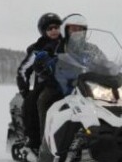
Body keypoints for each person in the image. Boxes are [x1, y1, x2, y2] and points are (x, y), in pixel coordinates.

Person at [35, 13, 89, 149]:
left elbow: (104, 62)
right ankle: (45, 144)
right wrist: (44, 63)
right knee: (44, 100)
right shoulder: (57, 46)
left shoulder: (90, 48)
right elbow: (41, 62)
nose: (77, 33)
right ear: (66, 30)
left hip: (85, 86)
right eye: (73, 29)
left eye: (80, 29)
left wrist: (115, 70)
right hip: (59, 85)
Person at [16, 12, 62, 150]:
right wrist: (25, 90)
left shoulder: (68, 44)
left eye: (56, 27)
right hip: (47, 84)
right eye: (50, 28)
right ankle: (41, 142)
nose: (54, 30)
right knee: (40, 101)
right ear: (44, 31)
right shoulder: (37, 49)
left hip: (71, 84)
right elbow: (23, 70)